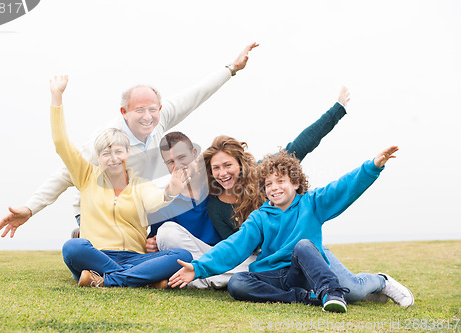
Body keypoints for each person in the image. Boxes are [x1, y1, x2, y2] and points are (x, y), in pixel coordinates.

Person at [0, 42, 259, 237]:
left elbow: (194, 95)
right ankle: (85, 236)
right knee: (110, 254)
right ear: (124, 112)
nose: (148, 117)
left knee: (163, 196)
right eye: (139, 111)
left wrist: (231, 69)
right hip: (95, 209)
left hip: (133, 202)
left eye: (153, 109)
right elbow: (65, 174)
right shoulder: (107, 140)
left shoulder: (160, 115)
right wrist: (30, 208)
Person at [0, 76, 193, 288]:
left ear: (127, 152)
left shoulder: (140, 184)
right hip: (96, 256)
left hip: (134, 257)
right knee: (73, 247)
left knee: (182, 255)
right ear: (98, 157)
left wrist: (170, 191)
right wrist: (57, 97)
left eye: (118, 151)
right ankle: (142, 279)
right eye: (105, 153)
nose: (113, 158)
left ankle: (109, 280)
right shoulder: (86, 177)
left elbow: (155, 200)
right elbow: (61, 144)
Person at [145, 88, 350, 288]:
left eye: (228, 166)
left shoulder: (260, 176)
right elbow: (231, 246)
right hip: (231, 257)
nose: (222, 173)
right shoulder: (204, 200)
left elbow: (300, 145)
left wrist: (337, 109)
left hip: (276, 253)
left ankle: (203, 279)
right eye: (170, 162)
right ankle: (205, 275)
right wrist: (151, 242)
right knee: (167, 233)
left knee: (346, 286)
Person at [168, 147, 403, 313]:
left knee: (350, 289)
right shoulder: (260, 217)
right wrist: (198, 268)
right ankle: (305, 298)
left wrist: (372, 167)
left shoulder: (312, 203)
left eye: (281, 181)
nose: (274, 188)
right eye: (268, 184)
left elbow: (342, 188)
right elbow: (235, 246)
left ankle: (378, 282)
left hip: (307, 269)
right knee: (237, 283)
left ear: (296, 183)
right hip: (277, 277)